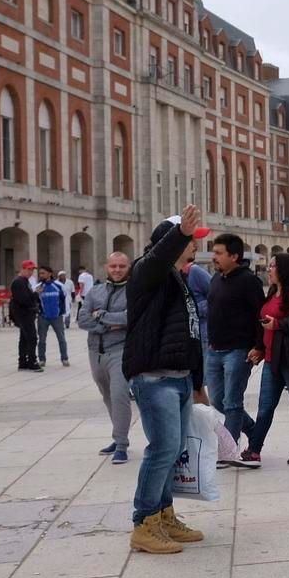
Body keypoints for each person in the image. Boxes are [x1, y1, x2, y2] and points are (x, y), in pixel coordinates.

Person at [122, 207, 208, 554]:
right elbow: (156, 259)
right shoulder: (148, 273)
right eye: (190, 241)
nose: (195, 247)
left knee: (174, 451)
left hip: (179, 378)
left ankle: (164, 514)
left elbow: (189, 333)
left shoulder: (178, 279)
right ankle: (144, 523)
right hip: (155, 377)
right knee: (162, 450)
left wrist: (197, 380)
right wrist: (179, 234)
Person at [242, 252, 289, 466]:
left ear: (283, 269)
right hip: (271, 357)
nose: (268, 269)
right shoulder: (273, 293)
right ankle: (254, 450)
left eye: (272, 266)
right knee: (265, 406)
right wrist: (259, 347)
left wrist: (279, 324)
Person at [206, 233, 265, 464]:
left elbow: (260, 316)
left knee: (232, 402)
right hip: (214, 350)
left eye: (219, 253)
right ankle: (254, 431)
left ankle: (229, 452)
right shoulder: (215, 279)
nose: (214, 257)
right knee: (218, 400)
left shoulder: (249, 281)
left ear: (235, 256)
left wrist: (259, 347)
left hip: (238, 351)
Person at [78, 252, 132, 464]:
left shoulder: (132, 291)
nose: (117, 270)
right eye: (113, 266)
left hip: (120, 350)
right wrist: (110, 324)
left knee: (119, 395)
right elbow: (82, 319)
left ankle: (121, 444)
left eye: (121, 266)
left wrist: (100, 315)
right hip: (95, 351)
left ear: (128, 267)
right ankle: (117, 435)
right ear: (106, 267)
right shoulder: (95, 291)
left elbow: (130, 317)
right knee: (107, 396)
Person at [10, 260, 43, 372]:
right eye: (29, 270)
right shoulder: (19, 282)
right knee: (32, 337)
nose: (31, 272)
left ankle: (23, 361)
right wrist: (36, 294)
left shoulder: (25, 281)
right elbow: (24, 300)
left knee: (24, 338)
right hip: (23, 314)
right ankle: (32, 361)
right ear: (23, 269)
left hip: (27, 313)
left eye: (32, 270)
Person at [35, 265, 69, 367]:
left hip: (56, 317)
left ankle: (64, 358)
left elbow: (64, 300)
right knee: (41, 339)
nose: (41, 275)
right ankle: (42, 359)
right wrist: (36, 294)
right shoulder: (38, 287)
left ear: (49, 274)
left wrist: (63, 313)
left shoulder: (59, 286)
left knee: (61, 338)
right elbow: (35, 301)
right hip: (43, 317)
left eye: (43, 273)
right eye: (40, 273)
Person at [182, 258, 211, 357]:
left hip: (202, 336)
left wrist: (194, 308)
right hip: (185, 337)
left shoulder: (194, 271)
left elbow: (216, 298)